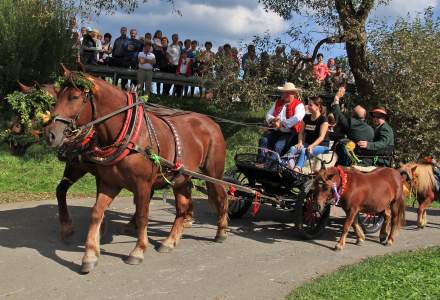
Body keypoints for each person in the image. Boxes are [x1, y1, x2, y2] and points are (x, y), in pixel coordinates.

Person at [257, 82, 305, 164]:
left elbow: (297, 118)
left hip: (289, 134)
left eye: (287, 93)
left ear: (293, 94)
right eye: (284, 92)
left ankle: (269, 164)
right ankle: (260, 161)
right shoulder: (278, 102)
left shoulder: (299, 105)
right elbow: (268, 114)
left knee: (278, 145)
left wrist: (282, 124)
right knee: (263, 140)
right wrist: (273, 120)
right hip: (275, 131)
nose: (284, 95)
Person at [331, 87, 375, 166]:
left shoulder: (352, 124)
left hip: (355, 161)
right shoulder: (370, 129)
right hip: (369, 160)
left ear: (352, 114)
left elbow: (338, 115)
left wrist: (336, 98)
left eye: (352, 111)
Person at [285, 96, 330, 172]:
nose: (307, 106)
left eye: (310, 105)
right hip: (308, 143)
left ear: (317, 106)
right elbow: (301, 133)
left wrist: (312, 146)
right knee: (293, 148)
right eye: (307, 104)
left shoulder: (323, 120)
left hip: (322, 146)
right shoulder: (306, 118)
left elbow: (321, 137)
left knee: (304, 150)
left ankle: (298, 169)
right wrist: (300, 142)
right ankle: (289, 166)